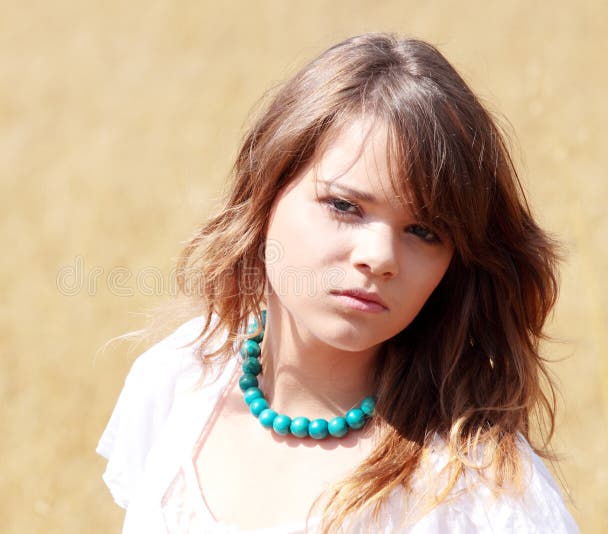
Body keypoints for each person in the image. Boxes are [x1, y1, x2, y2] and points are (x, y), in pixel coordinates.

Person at [96, 33, 580, 533]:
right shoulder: (178, 380)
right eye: (345, 206)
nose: (380, 258)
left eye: (425, 231)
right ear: (266, 191)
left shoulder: (482, 490)